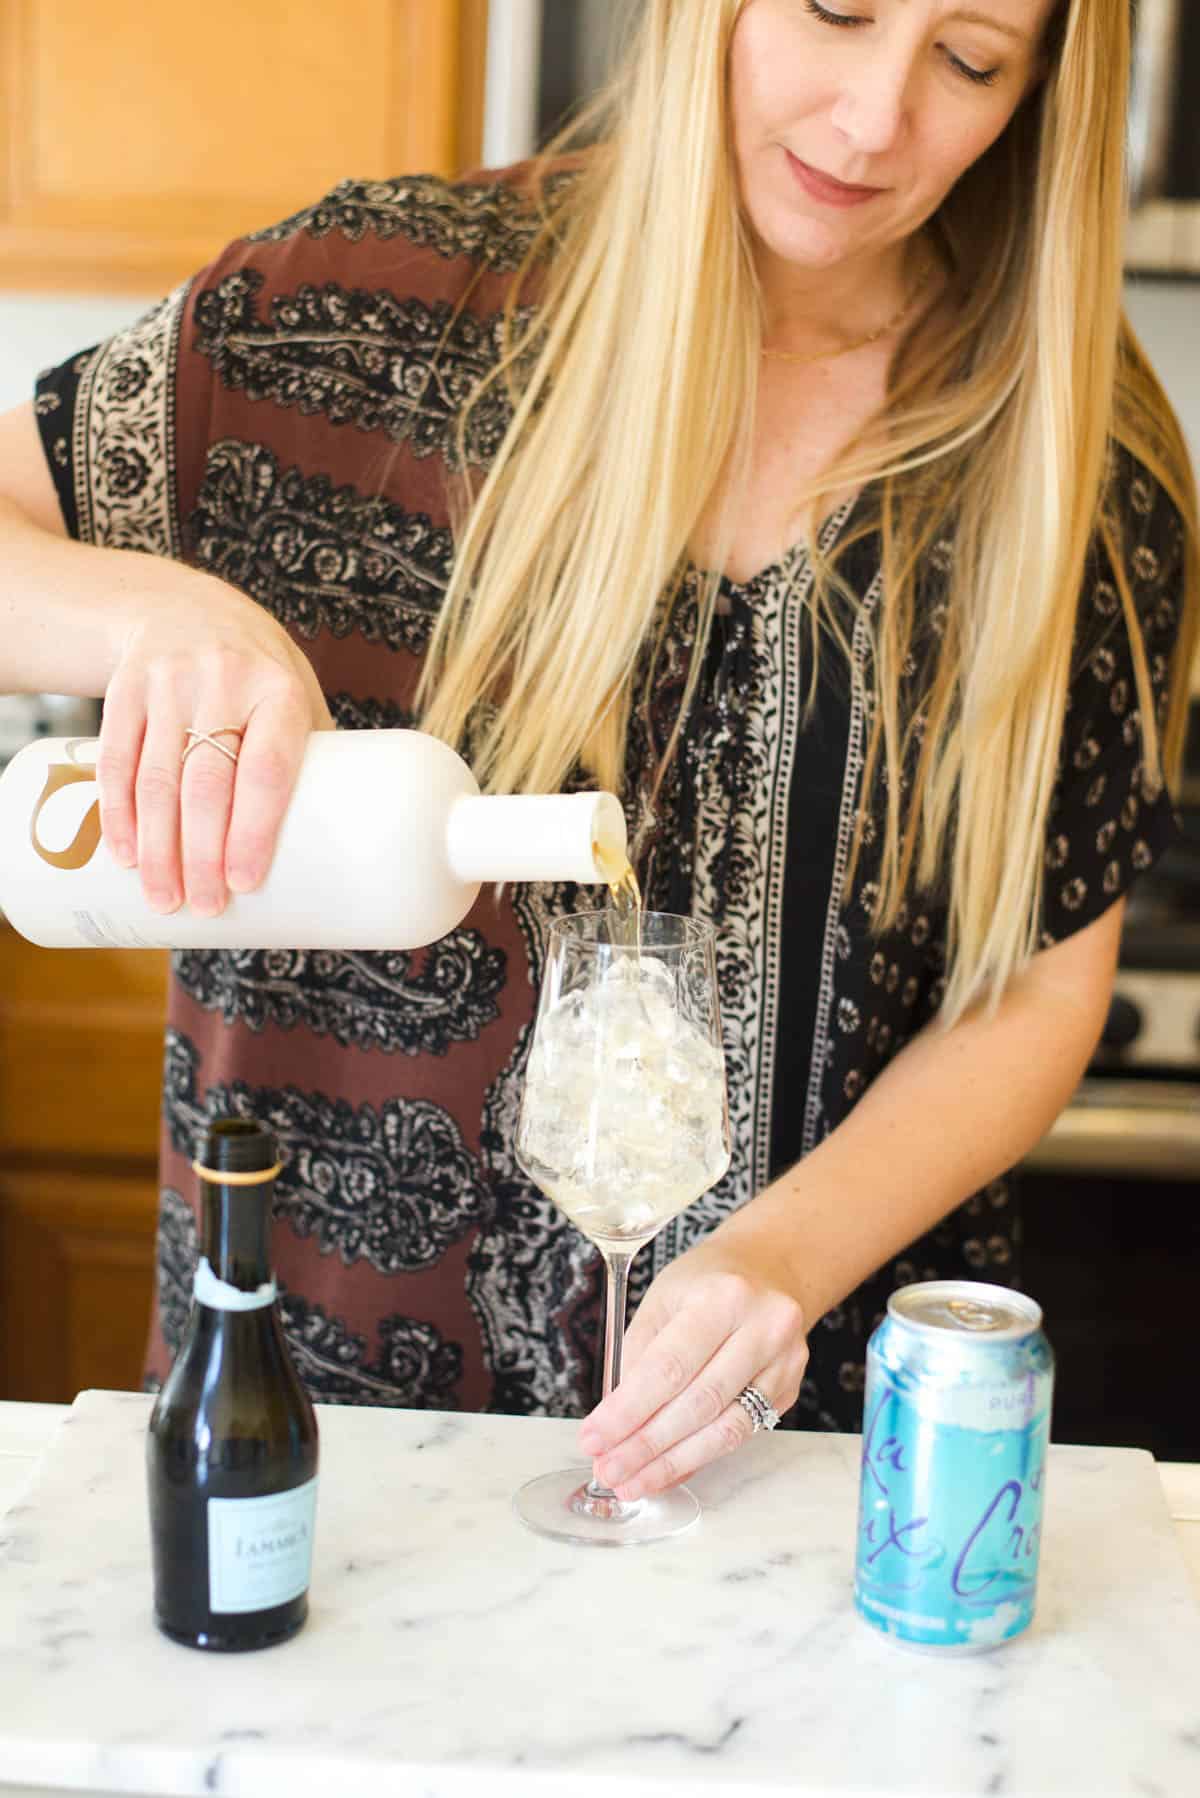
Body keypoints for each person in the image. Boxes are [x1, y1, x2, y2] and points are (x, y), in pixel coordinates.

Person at [0, 0, 1196, 1505]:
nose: (877, 117)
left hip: (799, 1480)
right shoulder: (354, 312)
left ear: (1040, 97)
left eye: (969, 59)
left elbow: (1033, 984)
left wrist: (783, 1252)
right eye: (838, 9)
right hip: (322, 1449)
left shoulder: (1071, 457)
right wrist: (160, 618)